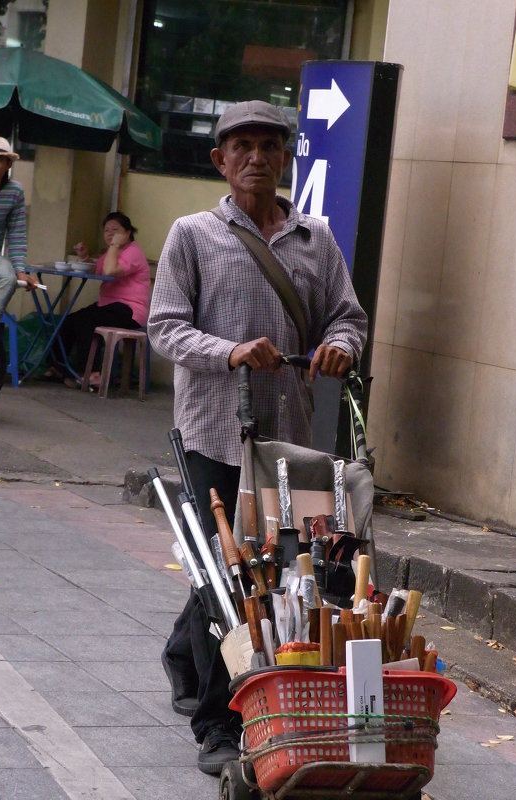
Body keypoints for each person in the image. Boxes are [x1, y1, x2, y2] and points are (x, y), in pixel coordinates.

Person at [147, 100, 367, 776]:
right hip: (215, 435)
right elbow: (166, 328)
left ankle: (188, 657)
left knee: (278, 576)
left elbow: (348, 318)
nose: (255, 158)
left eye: (269, 146)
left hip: (291, 446)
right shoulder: (192, 235)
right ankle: (220, 725)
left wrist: (338, 347)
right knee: (230, 582)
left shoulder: (315, 240)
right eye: (240, 146)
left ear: (284, 159)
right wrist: (232, 350)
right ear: (220, 160)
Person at [43, 212, 151, 388]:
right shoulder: (113, 251)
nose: (110, 234)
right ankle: (58, 366)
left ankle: (92, 374)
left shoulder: (133, 252)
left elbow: (109, 271)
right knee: (70, 320)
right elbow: (99, 270)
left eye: (115, 230)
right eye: (106, 230)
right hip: (109, 305)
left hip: (129, 310)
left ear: (128, 232)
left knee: (87, 321)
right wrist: (84, 258)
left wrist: (115, 244)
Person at [0, 135, 38, 344]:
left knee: (8, 278)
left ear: (8, 163)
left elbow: (16, 234)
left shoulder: (14, 191)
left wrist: (20, 270)